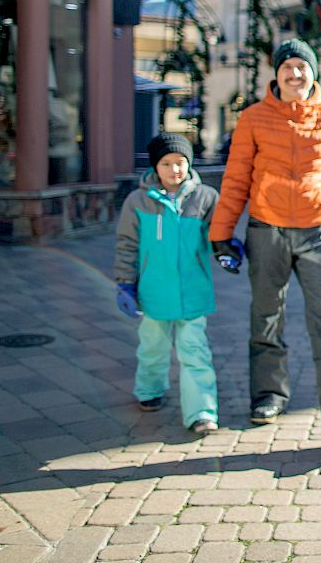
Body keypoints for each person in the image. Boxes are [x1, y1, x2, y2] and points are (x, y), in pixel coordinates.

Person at [209, 38, 321, 441]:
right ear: (276, 73)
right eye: (288, 67)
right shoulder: (252, 118)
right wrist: (221, 234)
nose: (295, 73)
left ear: (312, 72)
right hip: (267, 230)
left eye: (302, 66)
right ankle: (268, 395)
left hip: (320, 231)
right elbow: (235, 180)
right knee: (266, 316)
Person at [114, 133, 221, 435]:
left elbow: (218, 235)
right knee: (152, 346)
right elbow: (126, 244)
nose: (175, 170)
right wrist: (125, 282)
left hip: (193, 291)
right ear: (155, 167)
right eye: (167, 163)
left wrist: (228, 251)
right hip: (153, 292)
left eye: (180, 162)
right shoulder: (137, 201)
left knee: (195, 351)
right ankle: (149, 389)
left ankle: (201, 411)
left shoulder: (205, 197)